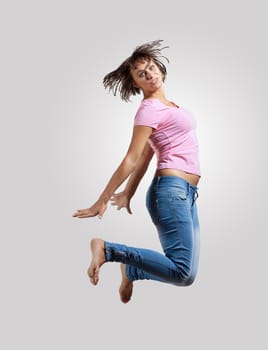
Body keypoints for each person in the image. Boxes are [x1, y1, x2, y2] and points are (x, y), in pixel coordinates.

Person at [72, 40, 201, 303]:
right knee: (183, 273)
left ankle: (132, 270)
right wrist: (102, 199)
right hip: (171, 193)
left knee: (185, 272)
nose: (150, 74)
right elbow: (131, 157)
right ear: (135, 84)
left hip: (187, 194)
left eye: (151, 67)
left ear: (160, 69)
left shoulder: (169, 107)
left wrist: (128, 193)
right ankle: (109, 250)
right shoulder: (149, 110)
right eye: (142, 74)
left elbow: (146, 154)